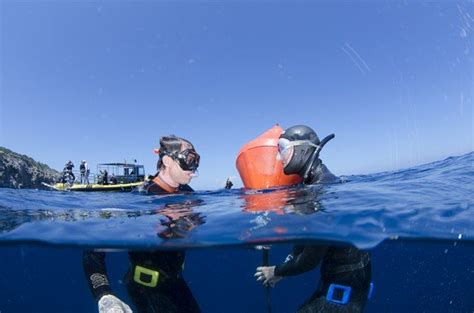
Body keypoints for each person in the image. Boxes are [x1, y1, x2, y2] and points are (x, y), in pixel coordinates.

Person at [254, 125, 372, 313]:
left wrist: (276, 271)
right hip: (336, 290)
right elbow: (304, 241)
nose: (278, 157)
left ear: (302, 150)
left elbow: (310, 260)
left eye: (282, 149)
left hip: (343, 297)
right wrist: (283, 270)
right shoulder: (309, 188)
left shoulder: (321, 190)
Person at [83, 135, 201, 313]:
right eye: (189, 159)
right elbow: (92, 250)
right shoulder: (140, 199)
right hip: (147, 289)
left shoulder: (188, 194)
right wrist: (104, 295)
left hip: (176, 283)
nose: (194, 168)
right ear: (168, 160)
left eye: (197, 160)